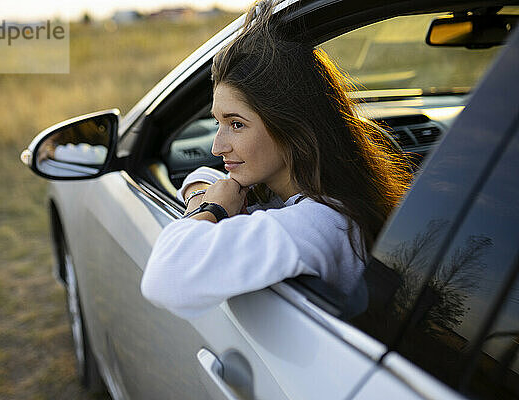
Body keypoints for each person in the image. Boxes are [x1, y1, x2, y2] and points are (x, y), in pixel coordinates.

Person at [140, 0, 411, 320]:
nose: (217, 147)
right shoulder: (305, 202)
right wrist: (207, 192)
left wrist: (209, 209)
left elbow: (163, 278)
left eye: (236, 124)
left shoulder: (320, 225)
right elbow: (199, 177)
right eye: (217, 123)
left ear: (292, 126)